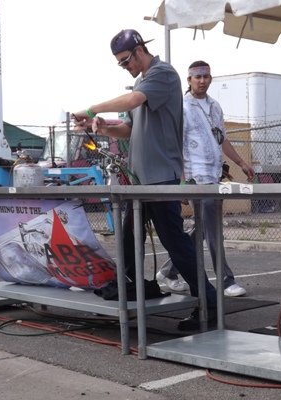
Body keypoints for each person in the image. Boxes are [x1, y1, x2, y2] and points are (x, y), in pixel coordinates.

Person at [72, 29, 217, 331]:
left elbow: (134, 99)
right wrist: (104, 128)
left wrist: (92, 108)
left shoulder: (162, 74)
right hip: (142, 179)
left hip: (160, 177)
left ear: (139, 50)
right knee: (129, 238)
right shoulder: (142, 82)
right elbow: (129, 127)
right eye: (120, 64)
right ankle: (132, 292)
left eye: (125, 61)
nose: (125, 66)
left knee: (175, 242)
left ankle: (211, 303)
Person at [157, 60, 255, 297]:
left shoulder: (214, 106)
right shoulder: (181, 107)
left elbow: (221, 139)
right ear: (189, 80)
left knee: (202, 228)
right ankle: (225, 279)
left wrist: (241, 162)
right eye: (197, 77)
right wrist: (180, 180)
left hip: (213, 175)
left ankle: (169, 270)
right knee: (212, 228)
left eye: (206, 77)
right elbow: (175, 146)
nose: (202, 81)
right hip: (193, 177)